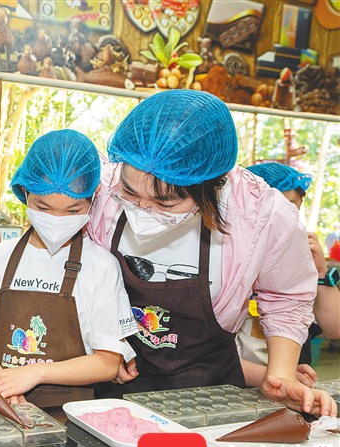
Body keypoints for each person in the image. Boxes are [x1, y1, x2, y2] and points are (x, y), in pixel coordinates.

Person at [88, 90, 336, 417]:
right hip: (111, 382)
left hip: (210, 392)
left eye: (165, 202)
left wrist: (280, 374)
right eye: (130, 192)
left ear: (212, 186)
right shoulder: (99, 189)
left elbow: (285, 297)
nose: (142, 209)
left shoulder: (260, 215)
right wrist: (106, 344)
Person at [0, 130, 138, 407]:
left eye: (73, 211)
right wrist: (0, 380)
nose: (57, 220)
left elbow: (108, 363)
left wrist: (34, 373)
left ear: (94, 197)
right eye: (43, 207)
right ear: (25, 192)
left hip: (70, 414)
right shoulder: (1, 256)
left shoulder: (101, 265)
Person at [237, 162, 340, 387]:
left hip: (289, 384)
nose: (286, 218)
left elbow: (335, 328)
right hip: (234, 383)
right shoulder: (228, 259)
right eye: (280, 208)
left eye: (293, 209)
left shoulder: (299, 254)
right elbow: (208, 355)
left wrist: (321, 273)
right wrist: (278, 378)